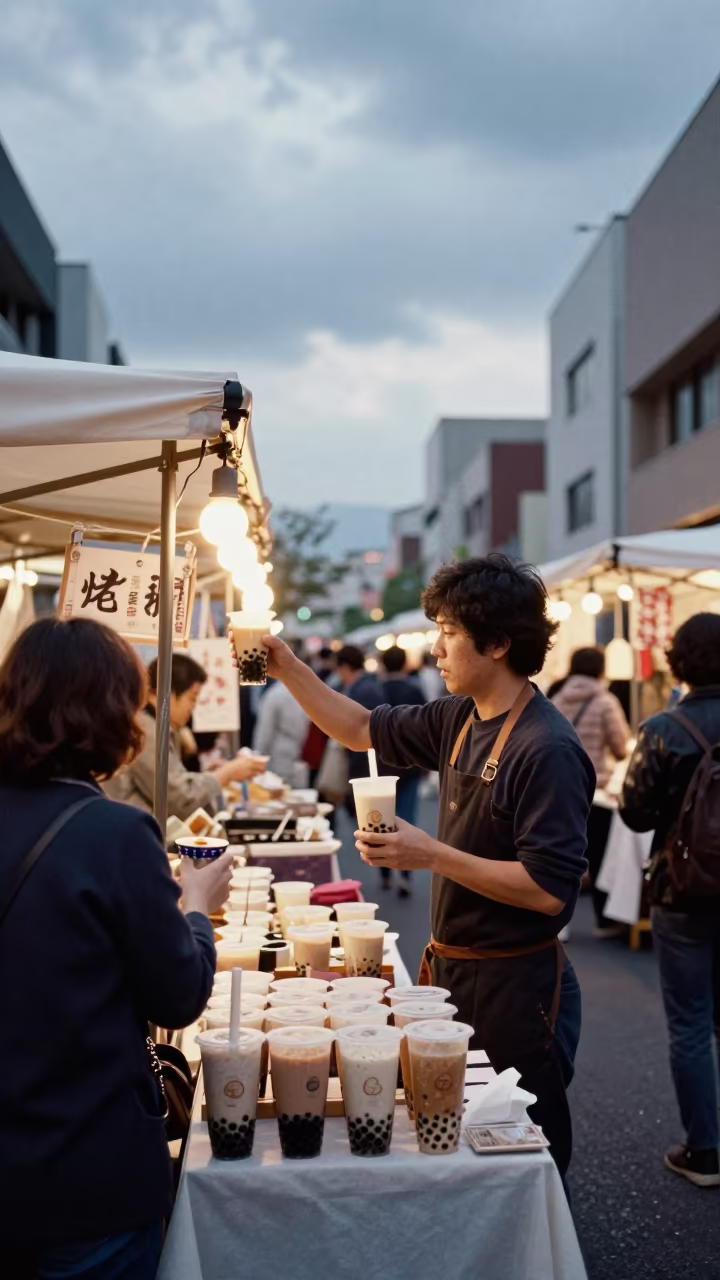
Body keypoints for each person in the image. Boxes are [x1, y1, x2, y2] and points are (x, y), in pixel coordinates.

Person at [232, 555, 594, 1178]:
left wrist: (429, 854)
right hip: (453, 969)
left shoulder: (548, 748)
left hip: (519, 985)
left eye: (450, 632)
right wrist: (284, 663)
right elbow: (356, 728)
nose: (437, 647)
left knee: (522, 1148)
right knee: (452, 1139)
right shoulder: (460, 717)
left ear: (500, 642)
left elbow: (546, 891)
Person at [0, 617, 232, 1277]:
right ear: (109, 715)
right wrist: (195, 905)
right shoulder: (114, 833)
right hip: (85, 1174)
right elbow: (179, 993)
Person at [620, 612, 720, 1188]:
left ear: (677, 660)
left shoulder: (664, 727)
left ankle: (704, 1152)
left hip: (682, 890)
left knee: (690, 1024)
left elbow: (633, 810)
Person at [106, 653, 265, 820]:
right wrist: (228, 772)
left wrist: (211, 773)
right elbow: (180, 798)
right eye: (192, 698)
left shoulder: (153, 725)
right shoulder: (146, 730)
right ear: (169, 694)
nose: (193, 708)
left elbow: (174, 785)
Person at [551, 647, 631, 936]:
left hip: (559, 787)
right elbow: (622, 747)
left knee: (561, 853)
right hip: (595, 790)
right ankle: (603, 921)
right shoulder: (606, 701)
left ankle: (559, 923)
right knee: (597, 853)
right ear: (601, 669)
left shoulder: (555, 699)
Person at [377, 645, 426, 898]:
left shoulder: (379, 689)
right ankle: (404, 874)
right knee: (406, 818)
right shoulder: (415, 690)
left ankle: (385, 871)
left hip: (383, 766)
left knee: (382, 820)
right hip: (411, 765)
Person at [253, 678, 310, 785]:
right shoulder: (302, 692)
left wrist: (257, 757)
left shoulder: (274, 694)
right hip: (296, 749)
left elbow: (265, 730)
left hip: (277, 752)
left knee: (277, 789)